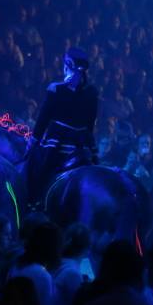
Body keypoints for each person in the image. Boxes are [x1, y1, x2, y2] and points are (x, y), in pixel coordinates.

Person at [26, 47, 99, 210]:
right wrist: (34, 138)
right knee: (39, 164)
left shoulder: (63, 90)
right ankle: (36, 201)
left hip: (62, 142)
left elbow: (44, 118)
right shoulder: (65, 90)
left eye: (67, 67)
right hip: (77, 141)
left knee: (41, 166)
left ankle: (35, 201)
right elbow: (43, 118)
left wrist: (34, 139)